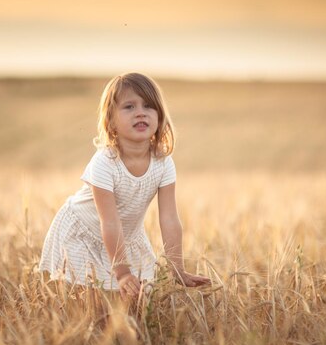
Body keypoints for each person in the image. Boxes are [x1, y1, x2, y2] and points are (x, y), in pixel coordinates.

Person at [39, 72, 210, 299]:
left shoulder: (163, 162)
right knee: (91, 303)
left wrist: (176, 268)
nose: (140, 111)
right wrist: (122, 273)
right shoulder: (105, 162)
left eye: (148, 106)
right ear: (110, 122)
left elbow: (169, 218)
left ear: (160, 116)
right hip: (84, 232)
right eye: (129, 107)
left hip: (126, 235)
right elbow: (109, 221)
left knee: (132, 302)